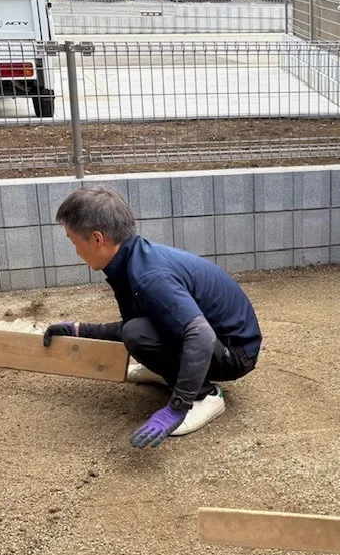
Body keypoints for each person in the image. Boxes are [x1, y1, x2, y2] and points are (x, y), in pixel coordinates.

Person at [43, 187, 261, 447]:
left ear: (97, 239)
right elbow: (147, 323)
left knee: (137, 335)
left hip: (233, 353)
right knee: (136, 331)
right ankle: (175, 373)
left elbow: (201, 335)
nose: (75, 250)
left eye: (73, 241)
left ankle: (204, 396)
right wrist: (79, 330)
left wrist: (177, 406)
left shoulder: (149, 276)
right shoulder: (133, 259)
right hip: (215, 340)